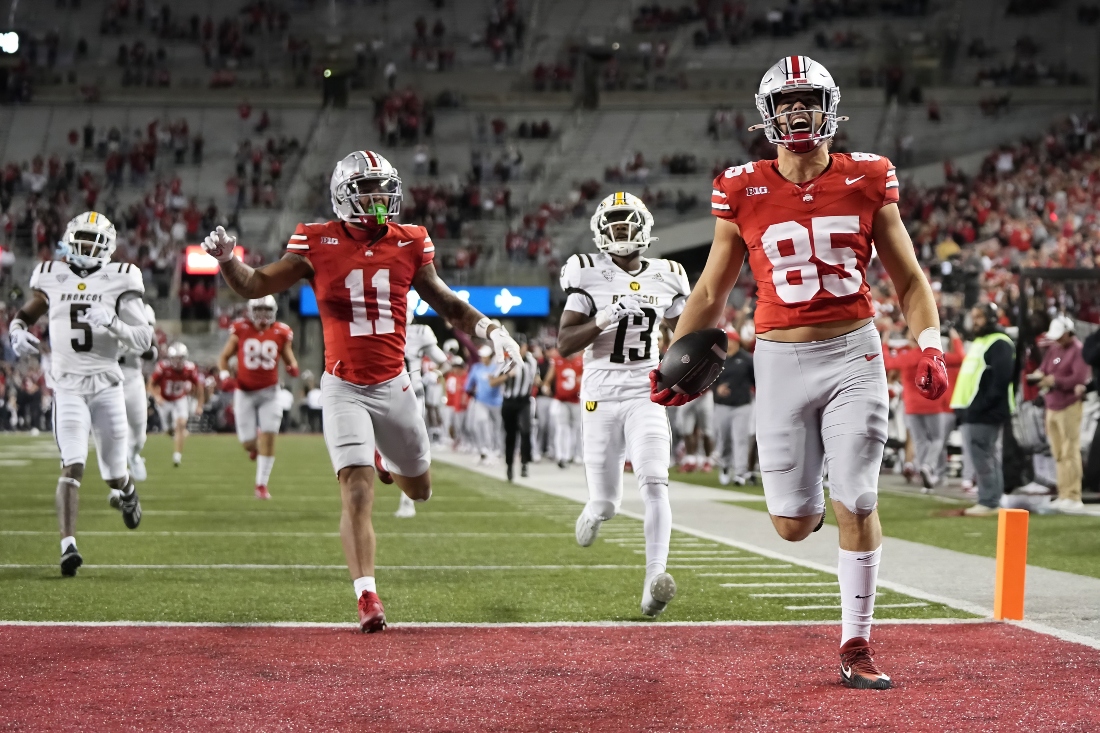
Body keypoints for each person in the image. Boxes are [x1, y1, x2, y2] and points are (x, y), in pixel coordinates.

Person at [658, 56, 948, 689]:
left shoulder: (869, 178)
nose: (798, 113)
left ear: (831, 108)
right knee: (792, 525)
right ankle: (816, 486)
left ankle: (857, 642)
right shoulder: (740, 187)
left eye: (809, 101)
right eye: (787, 103)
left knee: (859, 495)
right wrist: (674, 360)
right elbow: (712, 289)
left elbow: (908, 278)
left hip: (854, 352)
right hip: (781, 360)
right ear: (768, 115)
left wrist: (929, 343)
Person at [200, 149, 520, 632]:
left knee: (421, 488)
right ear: (343, 195)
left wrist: (493, 332)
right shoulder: (316, 239)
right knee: (355, 491)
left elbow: (450, 305)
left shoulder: (411, 241)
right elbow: (257, 283)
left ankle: (388, 459)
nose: (379, 198)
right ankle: (366, 594)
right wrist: (228, 262)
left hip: (394, 383)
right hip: (343, 384)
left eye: (383, 187)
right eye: (367, 189)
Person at [559, 191, 691, 617]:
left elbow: (682, 335)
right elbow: (563, 344)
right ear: (601, 230)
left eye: (627, 222)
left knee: (655, 480)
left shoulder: (668, 275)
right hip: (600, 395)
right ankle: (595, 512)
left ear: (644, 228)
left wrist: (689, 365)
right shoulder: (586, 273)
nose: (621, 231)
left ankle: (655, 579)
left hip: (644, 391)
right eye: (613, 223)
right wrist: (603, 317)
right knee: (608, 503)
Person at [7, 211, 152, 576]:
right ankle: (67, 546)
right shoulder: (51, 275)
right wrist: (16, 330)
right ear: (70, 240)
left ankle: (128, 490)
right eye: (81, 239)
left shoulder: (121, 278)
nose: (86, 247)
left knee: (112, 472)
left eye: (93, 240)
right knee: (72, 464)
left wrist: (114, 323)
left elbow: (145, 339)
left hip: (106, 385)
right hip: (67, 386)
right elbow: (26, 314)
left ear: (107, 246)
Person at [216, 295, 299, 500]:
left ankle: (261, 485)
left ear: (273, 312)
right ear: (251, 312)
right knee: (247, 443)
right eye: (259, 311)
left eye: (266, 311)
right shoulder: (241, 329)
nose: (263, 316)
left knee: (270, 438)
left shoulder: (281, 332)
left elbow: (289, 357)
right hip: (244, 392)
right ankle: (254, 447)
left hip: (270, 392)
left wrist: (292, 367)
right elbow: (224, 357)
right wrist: (225, 375)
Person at [950, 304, 1015, 516]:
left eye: (979, 317)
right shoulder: (981, 342)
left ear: (991, 318)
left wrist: (982, 405)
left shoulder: (999, 343)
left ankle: (989, 501)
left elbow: (1001, 379)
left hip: (985, 411)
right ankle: (990, 499)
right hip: (974, 410)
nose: (975, 321)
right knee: (985, 456)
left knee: (984, 456)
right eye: (973, 317)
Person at [883, 328, 965, 491]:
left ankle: (922, 470)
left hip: (912, 406)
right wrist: (956, 339)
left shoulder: (908, 357)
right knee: (936, 439)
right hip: (933, 404)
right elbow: (960, 358)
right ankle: (927, 466)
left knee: (920, 440)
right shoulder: (934, 355)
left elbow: (887, 362)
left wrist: (884, 342)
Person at [1032, 315, 1089, 513]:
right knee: (1057, 452)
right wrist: (1040, 377)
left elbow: (1078, 377)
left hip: (1069, 405)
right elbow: (1044, 369)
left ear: (1068, 333)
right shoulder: (1054, 349)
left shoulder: (1078, 351)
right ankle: (1063, 493)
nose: (1057, 339)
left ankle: (1074, 495)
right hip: (1052, 405)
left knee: (1069, 450)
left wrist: (1054, 381)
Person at [396, 306, 448, 517]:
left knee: (411, 444)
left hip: (413, 393)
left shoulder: (419, 333)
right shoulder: (377, 331)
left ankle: (408, 500)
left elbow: (444, 362)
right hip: (385, 394)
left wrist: (434, 374)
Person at [118, 302, 158, 482]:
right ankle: (118, 481)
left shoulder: (142, 309)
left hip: (132, 376)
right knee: (114, 430)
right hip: (108, 374)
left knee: (139, 431)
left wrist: (135, 348)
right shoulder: (102, 302)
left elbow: (153, 351)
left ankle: (133, 456)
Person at [713, 327, 755, 486]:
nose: (729, 344)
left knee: (741, 439)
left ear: (737, 342)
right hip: (722, 405)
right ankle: (724, 465)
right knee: (724, 438)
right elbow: (709, 380)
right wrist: (717, 389)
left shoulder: (746, 359)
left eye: (732, 341)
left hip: (742, 405)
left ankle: (740, 473)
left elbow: (755, 380)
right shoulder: (718, 359)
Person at [150, 343, 204, 467]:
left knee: (180, 424)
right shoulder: (163, 367)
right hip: (165, 400)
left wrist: (199, 405)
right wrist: (157, 396)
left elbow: (199, 386)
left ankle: (177, 456)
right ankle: (174, 434)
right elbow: (151, 384)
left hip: (180, 399)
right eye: (176, 358)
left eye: (181, 358)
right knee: (168, 430)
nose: (178, 361)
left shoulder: (189, 368)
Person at [500, 332, 539, 482]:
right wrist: (507, 375)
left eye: (521, 346)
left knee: (526, 431)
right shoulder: (505, 360)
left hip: (524, 401)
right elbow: (494, 380)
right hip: (509, 401)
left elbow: (535, 378)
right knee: (510, 435)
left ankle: (524, 463)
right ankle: (509, 465)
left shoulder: (531, 361)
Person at [466, 344, 507, 462]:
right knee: (481, 423)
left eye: (485, 356)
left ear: (490, 356)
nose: (483, 358)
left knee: (498, 428)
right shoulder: (476, 368)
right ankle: (484, 449)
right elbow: (469, 384)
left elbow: (501, 382)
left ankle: (499, 450)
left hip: (496, 402)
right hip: (481, 401)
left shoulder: (496, 367)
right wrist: (470, 392)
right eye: (482, 356)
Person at [544, 348, 583, 468]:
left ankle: (577, 455)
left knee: (577, 429)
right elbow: (548, 379)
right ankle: (562, 456)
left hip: (576, 400)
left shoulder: (581, 361)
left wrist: (582, 380)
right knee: (562, 428)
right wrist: (546, 386)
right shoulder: (557, 361)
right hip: (561, 400)